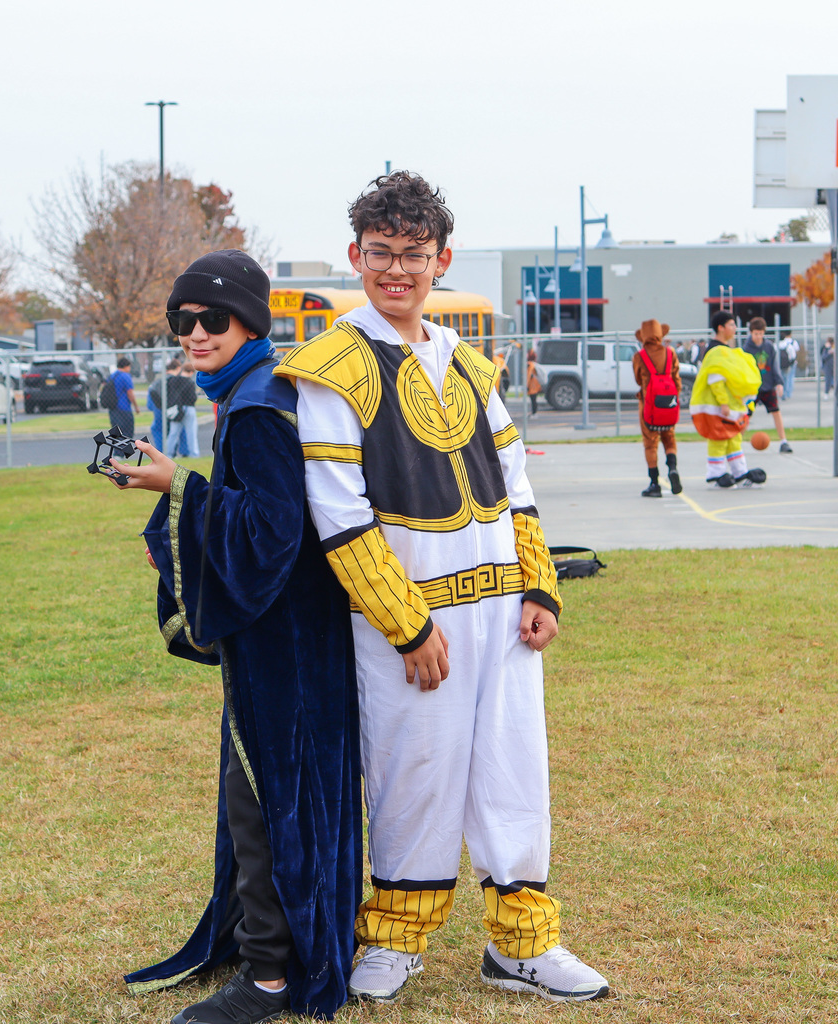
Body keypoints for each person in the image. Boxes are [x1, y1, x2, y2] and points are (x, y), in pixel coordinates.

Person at [276, 172, 609, 1006]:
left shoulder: (469, 366)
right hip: (413, 622)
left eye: (414, 255)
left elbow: (518, 486)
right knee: (411, 775)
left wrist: (542, 589)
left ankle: (524, 943)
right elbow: (338, 515)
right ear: (356, 256)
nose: (397, 270)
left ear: (442, 260)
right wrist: (405, 624)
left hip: (504, 613)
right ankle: (392, 938)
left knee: (514, 772)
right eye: (381, 253)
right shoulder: (327, 368)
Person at [111, 250, 362, 1024]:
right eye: (181, 322)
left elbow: (271, 533)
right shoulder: (265, 385)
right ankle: (283, 951)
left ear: (250, 321)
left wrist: (176, 489)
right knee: (282, 796)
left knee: (263, 802)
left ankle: (270, 980)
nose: (194, 333)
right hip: (304, 637)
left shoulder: (256, 406)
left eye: (211, 319)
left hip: (284, 645)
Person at [690, 311, 766, 488]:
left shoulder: (726, 351)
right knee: (719, 439)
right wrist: (723, 402)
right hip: (718, 407)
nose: (735, 328)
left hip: (732, 406)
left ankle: (739, 472)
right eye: (731, 325)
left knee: (733, 438)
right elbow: (715, 379)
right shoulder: (714, 351)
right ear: (720, 328)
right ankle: (716, 474)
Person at [632, 319, 683, 497]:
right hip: (669, 402)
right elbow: (677, 378)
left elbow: (638, 379)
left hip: (649, 405)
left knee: (650, 443)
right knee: (669, 438)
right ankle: (673, 468)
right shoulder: (670, 353)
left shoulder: (640, 356)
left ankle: (655, 483)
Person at [743, 317, 792, 453]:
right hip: (752, 388)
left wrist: (779, 383)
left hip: (768, 385)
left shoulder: (769, 346)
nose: (758, 336)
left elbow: (775, 366)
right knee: (746, 415)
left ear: (764, 332)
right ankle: (736, 444)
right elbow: (744, 369)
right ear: (751, 333)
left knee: (776, 411)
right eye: (755, 333)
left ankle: (783, 441)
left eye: (760, 333)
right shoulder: (746, 349)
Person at [166, 358, 200, 458]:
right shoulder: (190, 382)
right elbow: (192, 398)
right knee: (191, 433)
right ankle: (194, 454)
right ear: (191, 372)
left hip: (176, 409)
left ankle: (168, 454)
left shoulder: (174, 380)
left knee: (173, 433)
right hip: (189, 408)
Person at [109, 356, 140, 437]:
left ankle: (117, 450)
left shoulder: (112, 376)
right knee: (127, 435)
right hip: (124, 409)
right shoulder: (125, 376)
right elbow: (130, 393)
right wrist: (136, 406)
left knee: (116, 436)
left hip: (113, 409)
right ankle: (125, 450)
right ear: (126, 366)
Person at [778, 333, 799, 399]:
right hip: (787, 365)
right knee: (787, 379)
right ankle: (786, 393)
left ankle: (780, 394)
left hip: (778, 365)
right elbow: (793, 355)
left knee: (779, 379)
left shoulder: (776, 345)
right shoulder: (788, 345)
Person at [526, 349, 543, 414]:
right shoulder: (534, 364)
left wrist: (526, 385)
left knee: (533, 399)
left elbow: (528, 375)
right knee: (534, 399)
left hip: (532, 385)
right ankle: (534, 412)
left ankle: (534, 412)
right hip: (535, 384)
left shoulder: (530, 364)